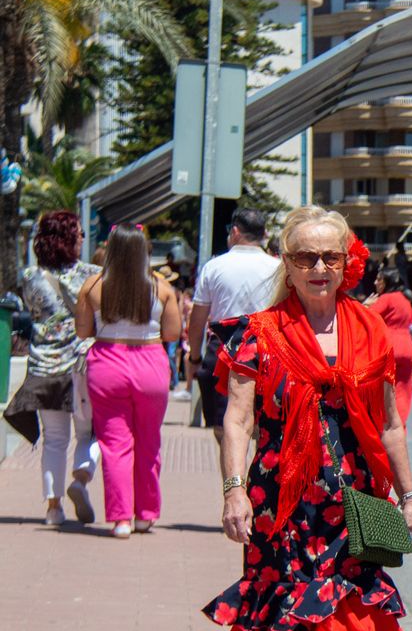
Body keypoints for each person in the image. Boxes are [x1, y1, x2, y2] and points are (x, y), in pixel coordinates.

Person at [207, 205, 412, 631]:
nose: (319, 267)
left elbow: (390, 424)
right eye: (306, 256)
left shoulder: (370, 329)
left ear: (347, 261)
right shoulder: (258, 332)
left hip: (355, 502)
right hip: (282, 506)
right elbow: (237, 419)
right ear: (288, 262)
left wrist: (409, 498)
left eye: (331, 255)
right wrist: (232, 489)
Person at [73, 224, 182, 537]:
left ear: (111, 249)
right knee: (149, 440)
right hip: (150, 364)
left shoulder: (93, 286)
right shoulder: (162, 287)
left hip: (107, 363)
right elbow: (173, 333)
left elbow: (83, 331)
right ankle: (145, 514)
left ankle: (121, 518)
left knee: (114, 444)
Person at [2, 211, 101, 526]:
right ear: (69, 238)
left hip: (44, 367)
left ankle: (53, 509)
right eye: (79, 234)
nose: (83, 239)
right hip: (81, 365)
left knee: (54, 439)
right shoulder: (92, 274)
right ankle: (81, 479)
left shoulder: (29, 276)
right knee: (91, 432)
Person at [187, 208, 280, 449]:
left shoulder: (214, 267)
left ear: (235, 232)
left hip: (224, 351)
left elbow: (197, 321)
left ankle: (233, 472)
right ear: (263, 234)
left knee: (224, 429)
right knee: (263, 428)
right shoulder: (277, 268)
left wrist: (194, 357)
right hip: (267, 350)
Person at [365, 266, 412, 424]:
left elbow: (366, 317)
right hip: (406, 346)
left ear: (387, 282)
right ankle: (399, 423)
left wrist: (365, 304)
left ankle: (385, 424)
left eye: (379, 279)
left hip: (388, 345)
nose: (375, 282)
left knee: (383, 389)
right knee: (403, 389)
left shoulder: (386, 298)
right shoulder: (404, 300)